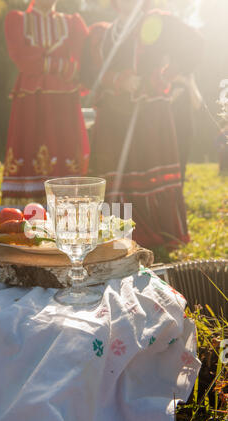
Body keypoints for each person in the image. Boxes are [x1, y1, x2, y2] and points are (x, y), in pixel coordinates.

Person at [81, 0, 203, 249]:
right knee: (114, 173)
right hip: (112, 117)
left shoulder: (157, 21)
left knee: (147, 168)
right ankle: (117, 231)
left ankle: (160, 231)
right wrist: (117, 80)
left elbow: (195, 44)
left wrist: (164, 75)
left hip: (149, 114)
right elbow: (89, 73)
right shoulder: (101, 32)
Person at [0, 0, 90, 212]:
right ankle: (26, 214)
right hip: (31, 102)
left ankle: (68, 214)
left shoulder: (72, 23)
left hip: (64, 103)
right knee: (29, 147)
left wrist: (53, 65)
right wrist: (63, 66)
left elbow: (86, 63)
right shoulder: (18, 20)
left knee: (66, 150)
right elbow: (23, 58)